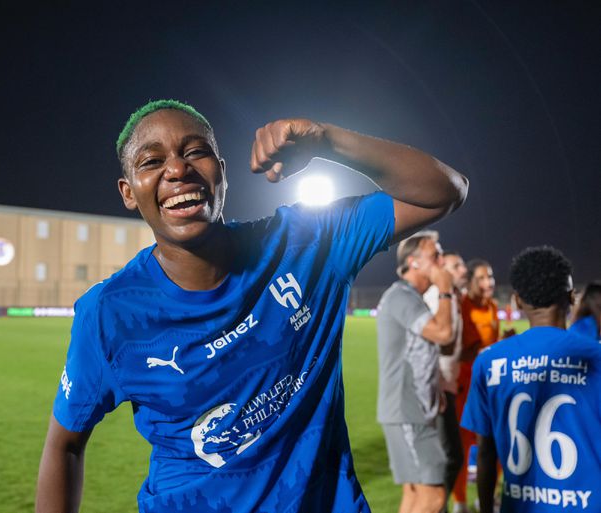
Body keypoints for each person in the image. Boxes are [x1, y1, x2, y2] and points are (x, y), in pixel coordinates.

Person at [35, 99, 468, 513]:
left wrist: (325, 142)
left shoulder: (308, 244)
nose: (177, 169)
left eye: (195, 152)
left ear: (222, 172)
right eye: (152, 161)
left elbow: (444, 190)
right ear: (129, 193)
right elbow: (64, 444)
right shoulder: (110, 314)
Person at [461, 246, 601, 513]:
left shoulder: (490, 362)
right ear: (571, 297)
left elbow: (486, 453)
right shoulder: (596, 358)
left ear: (517, 301)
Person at [376, 231, 456, 513]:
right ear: (414, 262)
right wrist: (445, 288)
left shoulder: (409, 296)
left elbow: (420, 350)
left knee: (413, 496)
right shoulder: (401, 296)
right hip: (407, 409)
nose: (442, 261)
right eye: (435, 256)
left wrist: (434, 388)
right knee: (432, 497)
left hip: (411, 408)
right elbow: (444, 334)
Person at [452, 259, 501, 512]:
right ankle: (459, 501)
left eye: (490, 277)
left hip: (489, 388)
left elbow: (488, 347)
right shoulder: (461, 307)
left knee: (494, 445)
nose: (488, 282)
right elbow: (456, 351)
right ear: (470, 281)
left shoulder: (492, 307)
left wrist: (503, 342)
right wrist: (484, 351)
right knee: (462, 448)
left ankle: (487, 496)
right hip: (464, 389)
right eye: (481, 278)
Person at [423, 250, 467, 509]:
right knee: (449, 458)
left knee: (447, 458)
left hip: (447, 386)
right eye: (456, 265)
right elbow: (425, 343)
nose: (463, 270)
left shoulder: (455, 298)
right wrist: (434, 386)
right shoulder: (433, 297)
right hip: (436, 388)